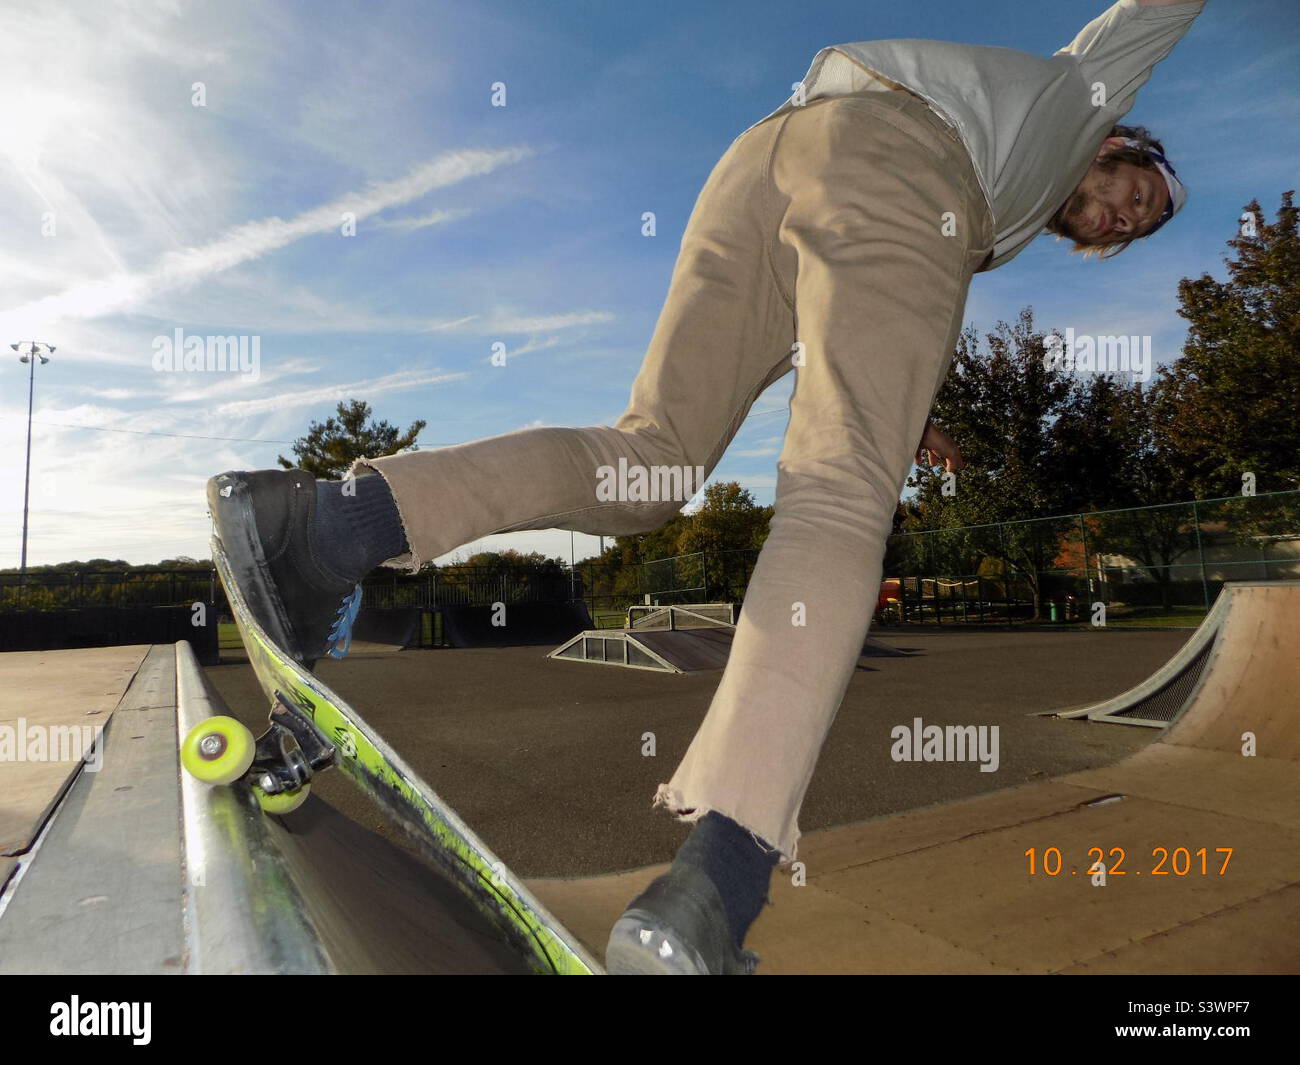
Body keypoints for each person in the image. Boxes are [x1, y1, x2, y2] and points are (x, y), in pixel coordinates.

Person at [207, 0, 1206, 974]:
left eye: (1136, 228)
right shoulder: (1082, 90)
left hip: (761, 165)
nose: (1124, 216)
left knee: (653, 460)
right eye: (1139, 192)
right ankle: (717, 881)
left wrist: (910, 404)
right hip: (897, 169)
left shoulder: (1002, 182)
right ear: (1119, 141)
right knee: (840, 491)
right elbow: (1147, 19)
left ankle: (328, 528)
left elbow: (837, 298)